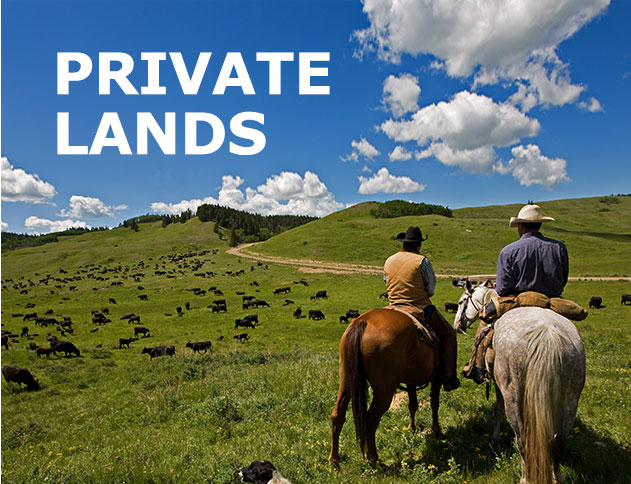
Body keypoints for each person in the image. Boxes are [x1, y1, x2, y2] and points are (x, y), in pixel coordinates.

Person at [463, 204, 570, 383]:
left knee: (483, 323)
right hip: (551, 302)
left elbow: (503, 289)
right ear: (540, 225)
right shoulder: (559, 248)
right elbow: (563, 280)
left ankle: (478, 366)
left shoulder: (509, 251)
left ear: (520, 226)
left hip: (517, 301)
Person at [384, 226, 460, 392]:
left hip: (393, 306)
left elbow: (386, 281)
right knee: (448, 334)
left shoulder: (389, 260)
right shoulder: (422, 261)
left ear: (403, 243)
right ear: (419, 245)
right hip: (418, 307)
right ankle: (449, 376)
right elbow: (431, 288)